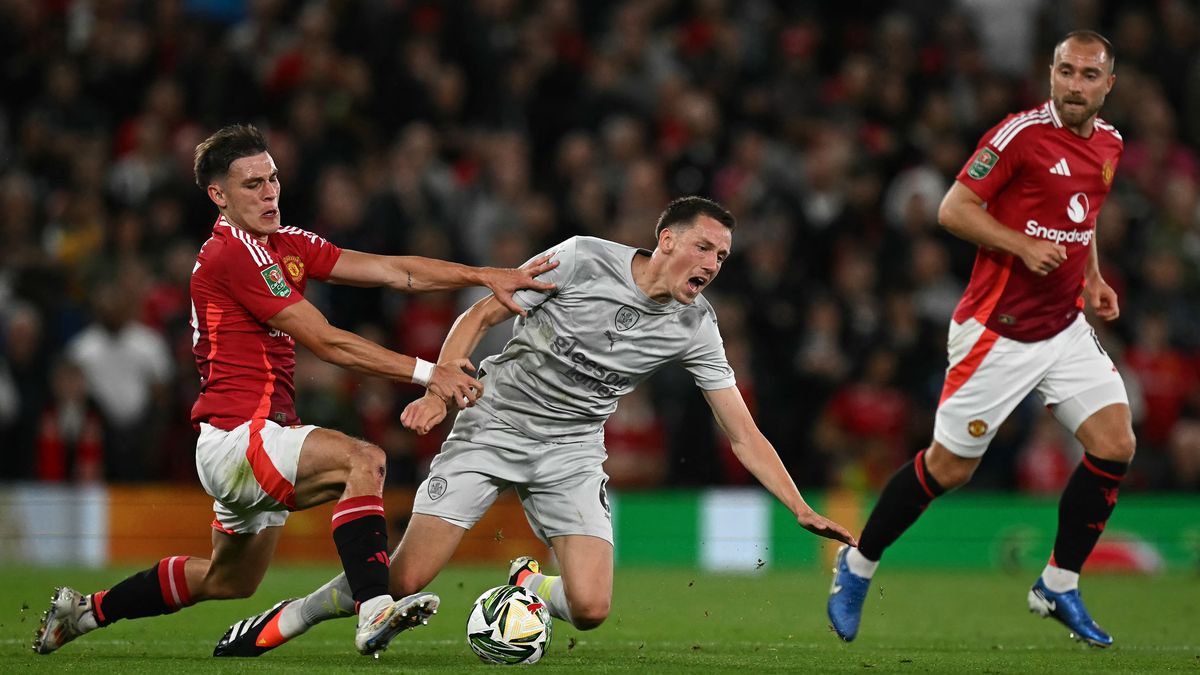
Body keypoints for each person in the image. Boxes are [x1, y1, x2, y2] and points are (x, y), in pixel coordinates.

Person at [212, 196, 857, 657]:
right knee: (401, 580)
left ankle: (526, 585)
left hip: (572, 451)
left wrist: (798, 506)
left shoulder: (696, 325)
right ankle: (288, 620)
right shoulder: (580, 259)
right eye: (705, 247)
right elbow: (484, 312)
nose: (714, 263)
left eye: (723, 255)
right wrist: (443, 382)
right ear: (666, 239)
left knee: (591, 610)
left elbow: (741, 431)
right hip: (494, 422)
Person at [32, 123, 558, 657]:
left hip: (240, 445)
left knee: (227, 581)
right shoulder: (233, 254)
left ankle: (84, 611)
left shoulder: (286, 245)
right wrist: (430, 373)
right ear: (218, 196)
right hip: (243, 437)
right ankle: (374, 610)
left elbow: (393, 271)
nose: (269, 192)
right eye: (252, 184)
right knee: (365, 460)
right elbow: (326, 342)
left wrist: (483, 274)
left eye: (273, 179)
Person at [827, 30, 1132, 647]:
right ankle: (857, 563)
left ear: (1108, 84)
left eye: (1088, 75)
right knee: (949, 469)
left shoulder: (1110, 144)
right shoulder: (1018, 136)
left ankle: (1059, 582)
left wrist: (1092, 278)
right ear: (1051, 74)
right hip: (998, 332)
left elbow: (1085, 216)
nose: (1075, 85)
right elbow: (952, 209)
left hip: (1064, 328)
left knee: (1115, 444)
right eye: (1066, 72)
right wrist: (1021, 246)